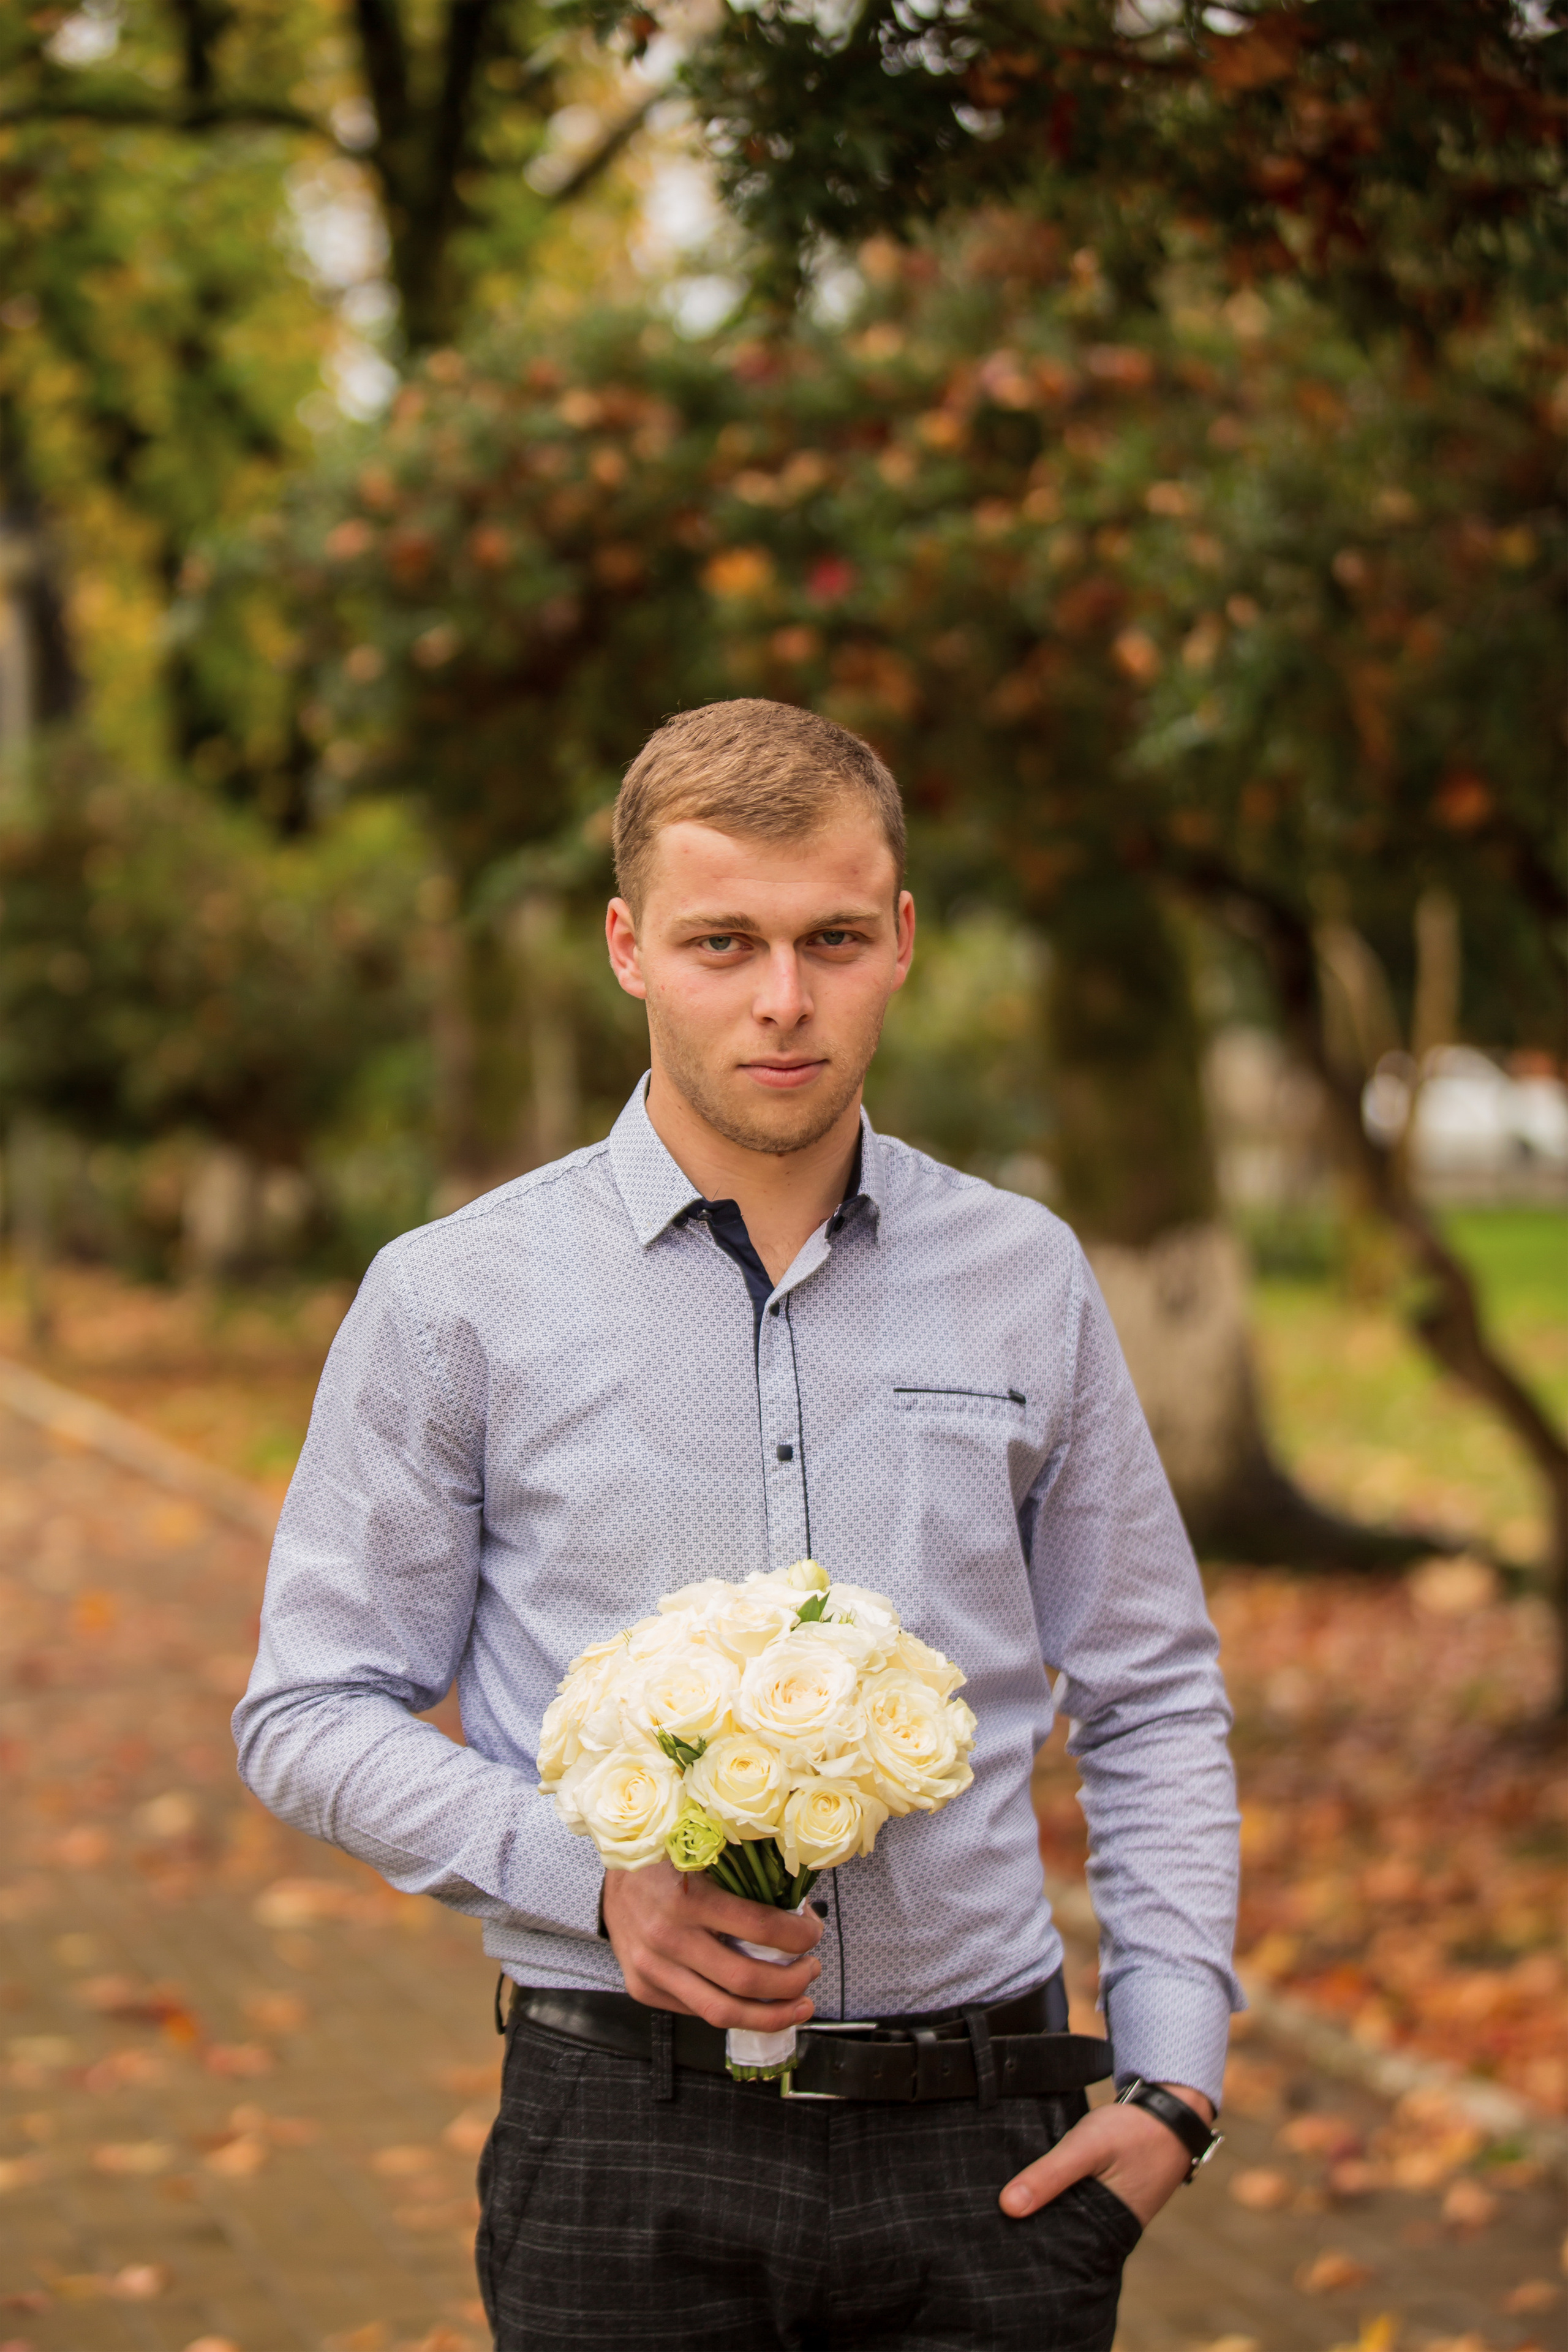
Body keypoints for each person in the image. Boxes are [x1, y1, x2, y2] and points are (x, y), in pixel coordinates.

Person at [234, 698, 1240, 2351]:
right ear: (628, 945)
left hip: (990, 2156)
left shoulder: (1026, 1277)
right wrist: (590, 1875)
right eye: (725, 943)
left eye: (833, 937)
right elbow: (306, 1710)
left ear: (901, 938)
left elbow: (1148, 1690)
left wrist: (1176, 2079)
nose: (784, 999)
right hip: (621, 2140)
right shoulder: (456, 1302)